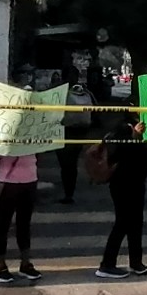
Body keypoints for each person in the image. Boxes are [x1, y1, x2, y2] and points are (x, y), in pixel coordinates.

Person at [97, 110, 147, 278]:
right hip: (123, 183)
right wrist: (135, 137)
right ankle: (107, 264)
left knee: (136, 223)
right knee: (123, 222)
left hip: (137, 183)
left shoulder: (141, 127)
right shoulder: (121, 129)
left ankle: (136, 262)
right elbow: (119, 155)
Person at [0, 151, 41, 283]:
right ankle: (0, 266)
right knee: (3, 223)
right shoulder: (1, 132)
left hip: (30, 180)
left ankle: (25, 263)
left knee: (24, 223)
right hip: (6, 182)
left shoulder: (34, 132)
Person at [57, 69, 95, 204]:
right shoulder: (84, 90)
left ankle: (68, 193)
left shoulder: (60, 91)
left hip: (65, 130)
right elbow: (96, 109)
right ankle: (69, 192)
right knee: (71, 163)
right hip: (81, 131)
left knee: (66, 164)